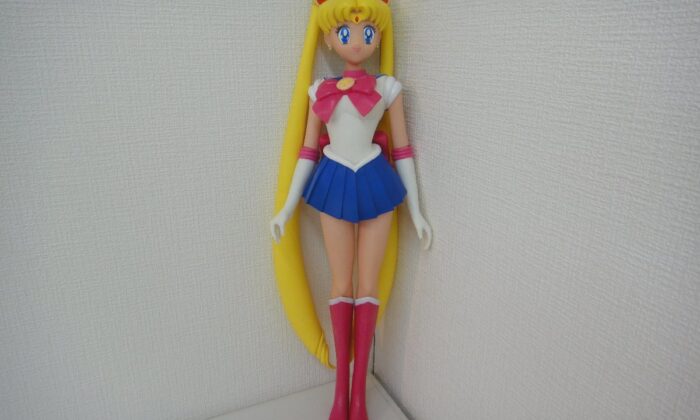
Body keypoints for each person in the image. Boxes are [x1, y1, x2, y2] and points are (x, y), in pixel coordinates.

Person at [270, 1, 432, 419]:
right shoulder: (318, 91)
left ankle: (358, 395)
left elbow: (403, 149)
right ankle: (339, 392)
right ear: (327, 39)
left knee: (368, 285)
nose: (357, 41)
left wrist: (416, 211)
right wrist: (287, 208)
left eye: (367, 32)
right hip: (334, 181)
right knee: (341, 283)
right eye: (345, 32)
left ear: (379, 36)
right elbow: (307, 151)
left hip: (376, 181)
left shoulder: (388, 88)